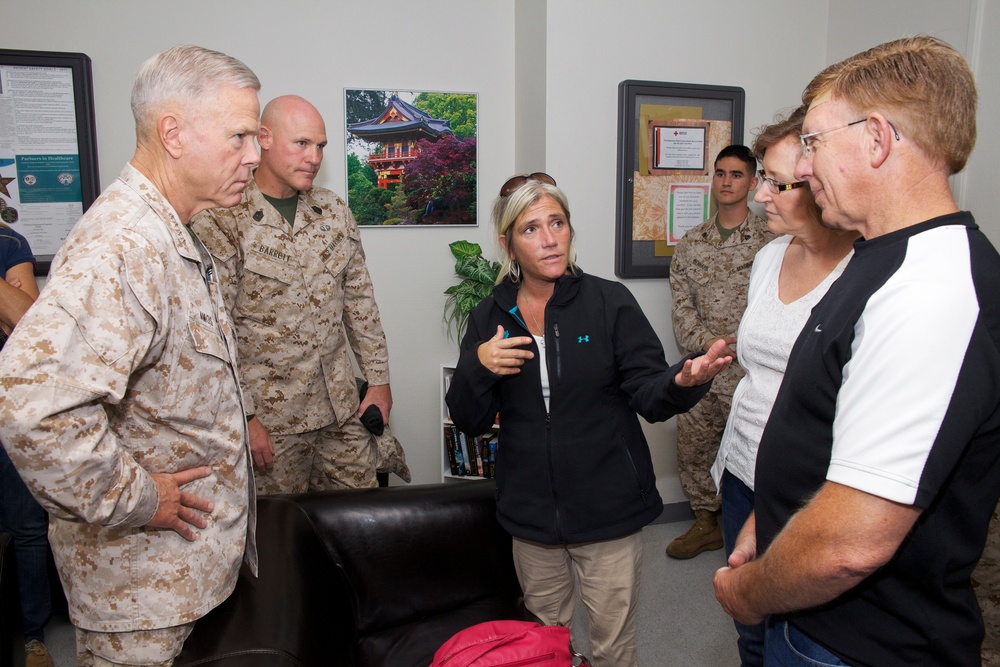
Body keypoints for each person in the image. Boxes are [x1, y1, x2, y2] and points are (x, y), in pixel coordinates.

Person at [713, 35, 998, 667]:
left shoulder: (931, 288)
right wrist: (772, 512)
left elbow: (850, 545)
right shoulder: (882, 257)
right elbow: (827, 426)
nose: (803, 169)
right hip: (816, 616)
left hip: (856, 641)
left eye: (812, 142)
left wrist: (749, 593)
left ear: (875, 138)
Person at [0, 44, 261, 666]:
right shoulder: (124, 246)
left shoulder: (173, 232)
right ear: (173, 133)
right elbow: (34, 408)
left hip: (185, 577)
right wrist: (140, 498)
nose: (255, 154)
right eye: (240, 136)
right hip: (142, 595)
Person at [446, 173, 732, 667]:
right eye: (531, 228)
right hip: (531, 511)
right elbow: (468, 419)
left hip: (607, 507)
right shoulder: (489, 316)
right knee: (543, 643)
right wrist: (478, 365)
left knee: (611, 646)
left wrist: (683, 381)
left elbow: (648, 393)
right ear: (508, 244)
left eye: (557, 223)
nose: (550, 238)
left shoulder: (608, 302)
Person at [707, 106, 857, 666]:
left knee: (801, 630)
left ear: (819, 186)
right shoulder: (768, 257)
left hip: (807, 483)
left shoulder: (862, 272)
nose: (759, 194)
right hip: (745, 466)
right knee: (748, 622)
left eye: (773, 181)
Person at [192, 95, 391, 494]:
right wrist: (244, 418)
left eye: (320, 146)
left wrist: (379, 381)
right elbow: (214, 330)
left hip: (341, 410)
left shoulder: (332, 211)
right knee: (280, 540)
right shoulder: (221, 218)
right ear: (263, 138)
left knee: (361, 527)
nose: (314, 157)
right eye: (301, 143)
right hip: (273, 421)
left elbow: (360, 302)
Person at [666, 144, 774, 559]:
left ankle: (757, 533)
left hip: (751, 370)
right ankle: (705, 524)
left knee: (754, 454)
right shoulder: (692, 242)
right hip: (701, 365)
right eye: (721, 173)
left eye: (737, 175)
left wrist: (736, 344)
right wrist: (707, 345)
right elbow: (681, 306)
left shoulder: (771, 242)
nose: (727, 182)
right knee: (694, 447)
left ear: (752, 182)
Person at [0, 223, 53, 667]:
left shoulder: (10, 242)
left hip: (9, 401)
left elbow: (28, 322)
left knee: (27, 525)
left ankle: (32, 636)